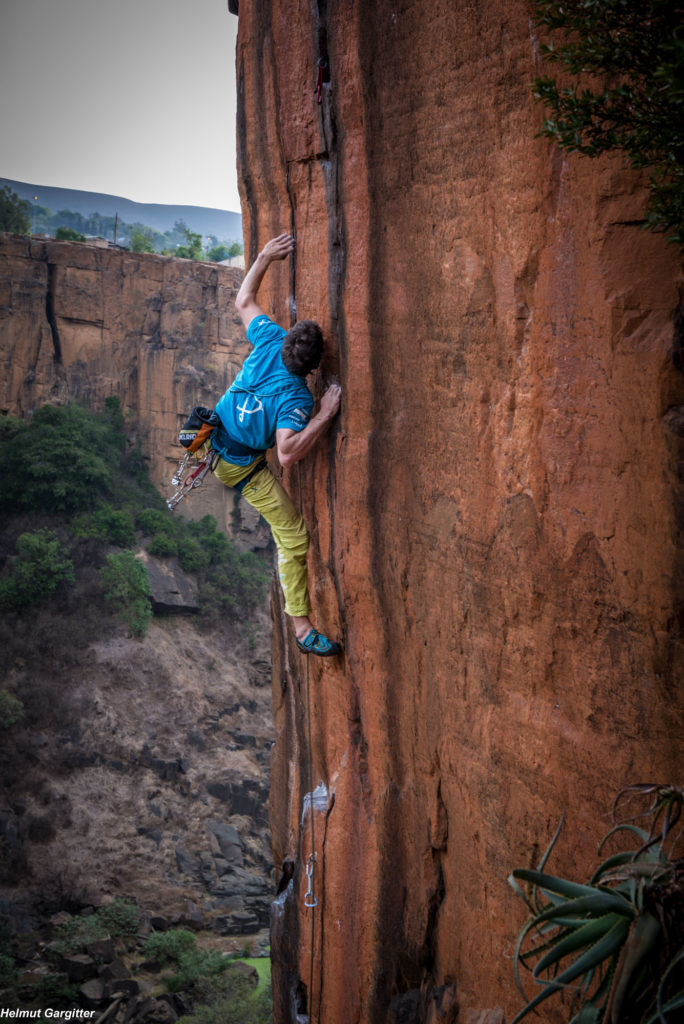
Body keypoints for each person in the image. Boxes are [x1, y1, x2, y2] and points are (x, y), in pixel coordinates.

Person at [211, 232, 342, 657]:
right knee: (294, 538)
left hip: (210, 439)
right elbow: (286, 453)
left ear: (287, 340)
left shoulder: (268, 338)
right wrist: (324, 413)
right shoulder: (297, 398)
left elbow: (243, 300)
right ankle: (303, 631)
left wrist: (265, 256)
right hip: (239, 465)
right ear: (314, 367)